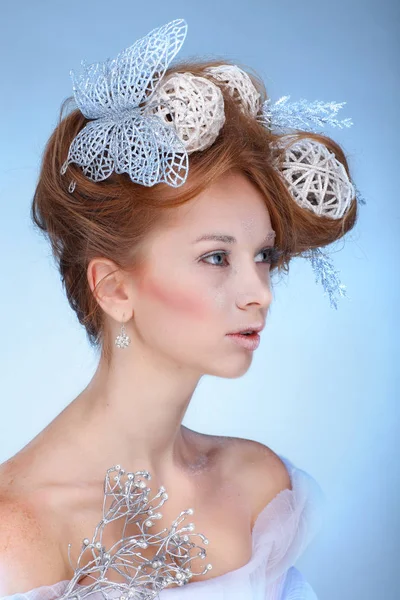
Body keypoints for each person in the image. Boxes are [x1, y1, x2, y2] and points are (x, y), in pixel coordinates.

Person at [0, 18, 360, 600]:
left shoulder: (258, 487)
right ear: (114, 289)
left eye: (263, 254)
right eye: (217, 257)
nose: (260, 292)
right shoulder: (15, 534)